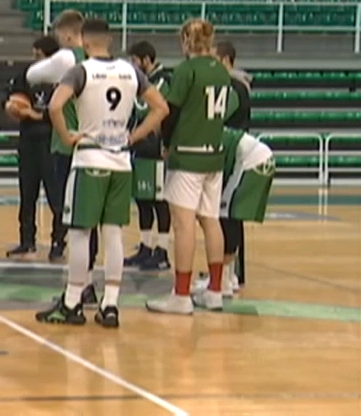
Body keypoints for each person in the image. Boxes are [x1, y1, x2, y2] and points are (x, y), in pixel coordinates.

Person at [36, 18, 168, 327]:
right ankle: (110, 305)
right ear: (110, 40)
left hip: (90, 157)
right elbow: (161, 108)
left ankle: (72, 302)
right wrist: (133, 137)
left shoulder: (81, 70)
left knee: (80, 232)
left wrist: (67, 135)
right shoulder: (131, 71)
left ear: (83, 41)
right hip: (121, 161)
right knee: (114, 235)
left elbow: (55, 106)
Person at [146, 18, 237, 315]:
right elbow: (230, 106)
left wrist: (166, 142)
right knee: (210, 220)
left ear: (186, 41)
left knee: (183, 224)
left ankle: (181, 295)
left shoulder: (186, 71)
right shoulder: (222, 72)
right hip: (214, 152)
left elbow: (170, 112)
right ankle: (215, 290)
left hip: (188, 153)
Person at [26, 10, 99, 301]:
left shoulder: (68, 58)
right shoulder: (104, 62)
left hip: (67, 147)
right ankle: (89, 283)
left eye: (59, 37)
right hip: (96, 147)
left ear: (68, 34)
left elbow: (32, 75)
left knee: (75, 220)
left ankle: (78, 288)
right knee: (93, 222)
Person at [194, 128, 274, 296]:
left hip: (252, 162)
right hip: (262, 158)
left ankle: (223, 281)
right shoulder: (219, 131)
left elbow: (221, 168)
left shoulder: (212, 137)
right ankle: (229, 278)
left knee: (226, 215)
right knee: (232, 215)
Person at [4, 35, 61, 259]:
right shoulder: (26, 76)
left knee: (56, 196)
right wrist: (9, 105)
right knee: (27, 194)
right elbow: (6, 94)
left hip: (51, 141)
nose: (34, 59)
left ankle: (58, 241)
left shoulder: (62, 78)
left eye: (39, 55)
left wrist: (38, 115)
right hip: (28, 141)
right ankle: (26, 240)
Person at [124, 41, 173, 271]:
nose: (133, 65)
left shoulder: (162, 79)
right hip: (139, 147)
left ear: (146, 59)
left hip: (156, 149)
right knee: (142, 198)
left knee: (158, 200)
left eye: (135, 60)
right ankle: (145, 246)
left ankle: (162, 251)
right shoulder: (141, 83)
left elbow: (145, 109)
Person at [215, 40, 253, 284]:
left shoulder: (233, 87)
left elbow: (218, 117)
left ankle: (230, 273)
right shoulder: (234, 85)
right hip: (229, 152)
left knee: (228, 212)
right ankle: (228, 272)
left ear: (225, 59)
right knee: (226, 213)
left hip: (232, 154)